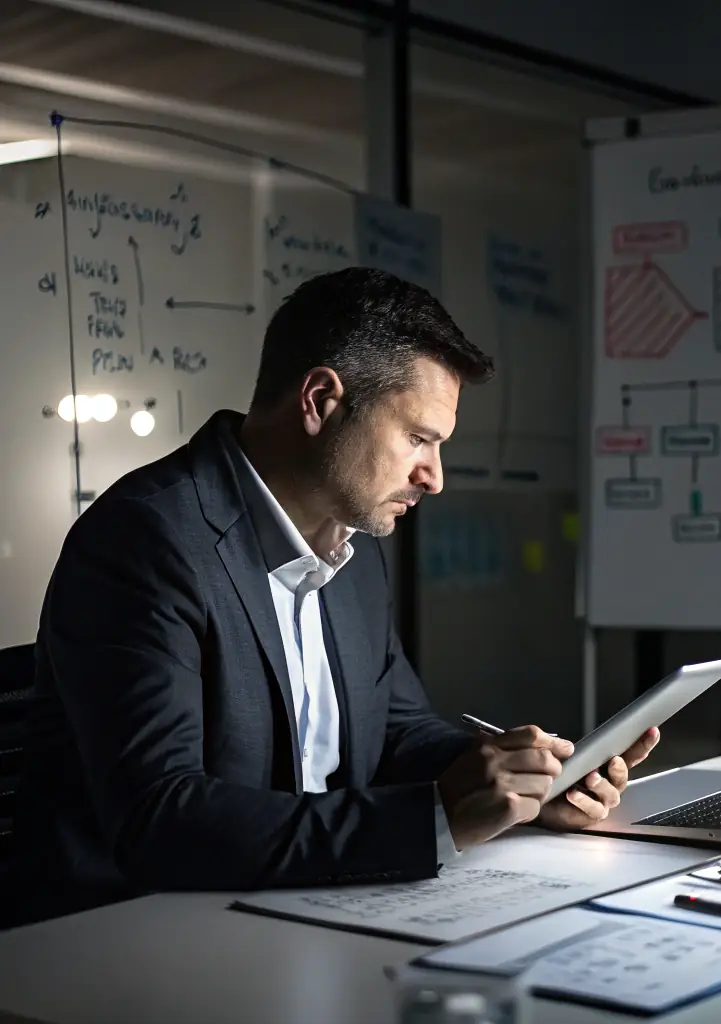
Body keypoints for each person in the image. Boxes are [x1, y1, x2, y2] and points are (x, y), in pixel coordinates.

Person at [12, 268, 658, 925]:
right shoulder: (145, 539)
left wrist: (523, 780)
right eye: (418, 438)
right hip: (123, 937)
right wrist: (436, 818)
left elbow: (396, 734)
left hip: (296, 910)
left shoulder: (351, 543)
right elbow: (162, 819)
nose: (433, 478)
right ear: (320, 399)